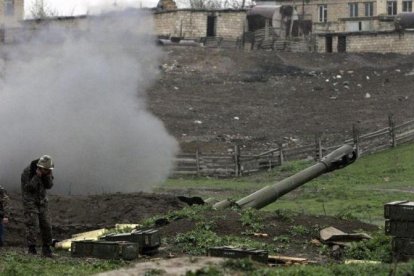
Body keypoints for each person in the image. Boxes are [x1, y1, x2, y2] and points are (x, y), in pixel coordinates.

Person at [21, 155, 54, 257]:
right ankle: (32, 248)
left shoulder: (47, 172)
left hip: (42, 202)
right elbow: (29, 188)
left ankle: (46, 248)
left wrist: (47, 175)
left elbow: (49, 186)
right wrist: (37, 177)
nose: (47, 171)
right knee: (32, 225)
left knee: (47, 225)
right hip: (30, 202)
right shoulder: (27, 172)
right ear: (40, 168)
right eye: (45, 170)